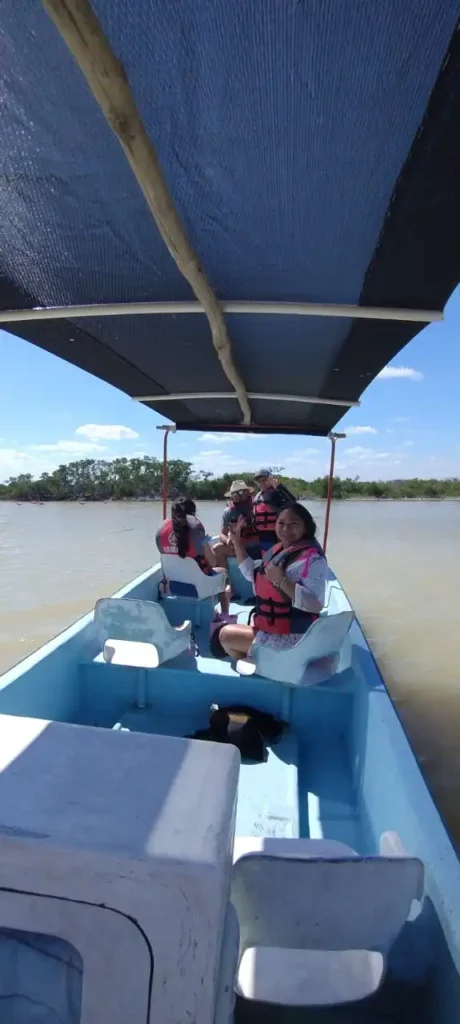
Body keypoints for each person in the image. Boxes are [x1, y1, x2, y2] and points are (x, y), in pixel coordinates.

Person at [218, 503, 327, 660]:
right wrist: (236, 542)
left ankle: (265, 667)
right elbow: (251, 573)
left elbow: (315, 605)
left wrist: (281, 580)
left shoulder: (312, 560)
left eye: (293, 524)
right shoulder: (278, 551)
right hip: (275, 630)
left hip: (294, 638)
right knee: (231, 634)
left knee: (224, 635)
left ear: (306, 527)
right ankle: (265, 663)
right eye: (281, 523)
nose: (286, 529)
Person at [156, 497, 230, 616]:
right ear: (193, 513)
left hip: (173, 586)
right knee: (223, 572)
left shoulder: (162, 531)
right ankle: (225, 616)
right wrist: (206, 542)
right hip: (199, 587)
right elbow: (213, 562)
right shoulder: (196, 531)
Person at [213, 480, 261, 566]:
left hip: (258, 547)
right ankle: (225, 577)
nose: (238, 496)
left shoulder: (258, 507)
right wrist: (227, 541)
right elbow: (222, 534)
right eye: (235, 493)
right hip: (238, 548)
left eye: (241, 492)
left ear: (247, 492)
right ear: (231, 496)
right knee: (217, 548)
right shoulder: (228, 512)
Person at [252, 468, 297, 551]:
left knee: (278, 558)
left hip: (277, 534)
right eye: (259, 481)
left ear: (270, 479)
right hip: (263, 535)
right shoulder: (257, 497)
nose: (262, 483)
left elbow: (292, 502)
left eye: (264, 480)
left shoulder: (277, 494)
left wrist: (279, 487)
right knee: (266, 558)